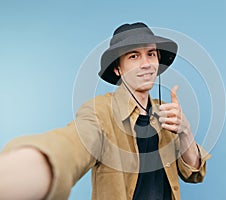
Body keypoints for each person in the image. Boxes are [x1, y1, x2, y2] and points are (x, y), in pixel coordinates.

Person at [0, 22, 211, 200]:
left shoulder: (164, 112)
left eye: (151, 54)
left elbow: (194, 174)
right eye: (134, 56)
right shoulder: (99, 112)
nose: (146, 64)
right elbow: (71, 144)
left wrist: (185, 131)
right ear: (118, 69)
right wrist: (29, 167)